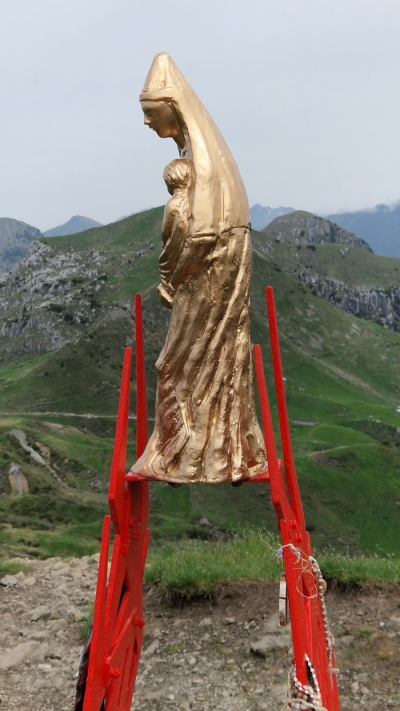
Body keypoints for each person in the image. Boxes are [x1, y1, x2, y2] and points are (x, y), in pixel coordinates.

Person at [131, 53, 267, 484]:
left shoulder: (204, 169)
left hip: (208, 275)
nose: (148, 124)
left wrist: (171, 279)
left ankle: (192, 453)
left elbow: (202, 235)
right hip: (207, 270)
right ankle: (214, 451)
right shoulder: (195, 158)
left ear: (173, 107)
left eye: (151, 113)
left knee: (177, 364)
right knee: (203, 363)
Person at [157, 158, 194, 309]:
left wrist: (165, 242)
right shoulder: (195, 200)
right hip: (190, 244)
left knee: (164, 264)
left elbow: (166, 230)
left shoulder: (173, 203)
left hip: (176, 244)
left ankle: (169, 290)